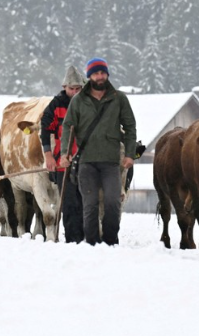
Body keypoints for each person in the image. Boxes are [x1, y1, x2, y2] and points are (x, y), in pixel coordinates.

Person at [58, 57, 137, 246]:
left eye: (102, 72)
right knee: (90, 204)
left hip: (111, 162)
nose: (100, 76)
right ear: (89, 76)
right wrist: (64, 154)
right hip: (86, 161)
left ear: (107, 74)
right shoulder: (78, 100)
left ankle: (111, 241)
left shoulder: (119, 98)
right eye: (95, 73)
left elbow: (130, 126)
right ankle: (92, 243)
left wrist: (129, 154)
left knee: (112, 202)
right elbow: (68, 126)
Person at [41, 65, 86, 243]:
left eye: (77, 89)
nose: (74, 92)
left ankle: (87, 240)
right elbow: (45, 129)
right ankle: (72, 240)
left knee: (86, 202)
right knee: (69, 203)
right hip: (63, 162)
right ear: (64, 87)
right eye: (71, 89)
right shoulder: (57, 104)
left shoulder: (88, 103)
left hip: (86, 162)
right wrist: (48, 155)